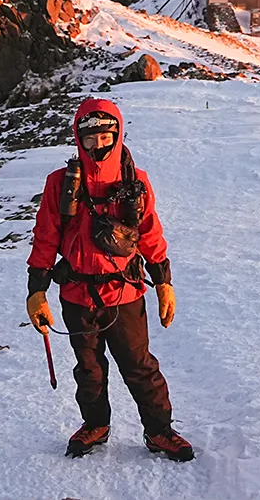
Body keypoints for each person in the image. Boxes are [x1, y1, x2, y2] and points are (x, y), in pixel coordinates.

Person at [25, 97, 194, 462]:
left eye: (105, 136)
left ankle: (159, 431)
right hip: (76, 294)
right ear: (78, 139)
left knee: (139, 367)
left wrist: (163, 281)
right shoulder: (60, 184)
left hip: (125, 292)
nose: (98, 145)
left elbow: (150, 233)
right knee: (88, 368)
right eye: (90, 138)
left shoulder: (136, 182)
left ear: (116, 134)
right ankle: (95, 424)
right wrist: (36, 292)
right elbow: (45, 237)